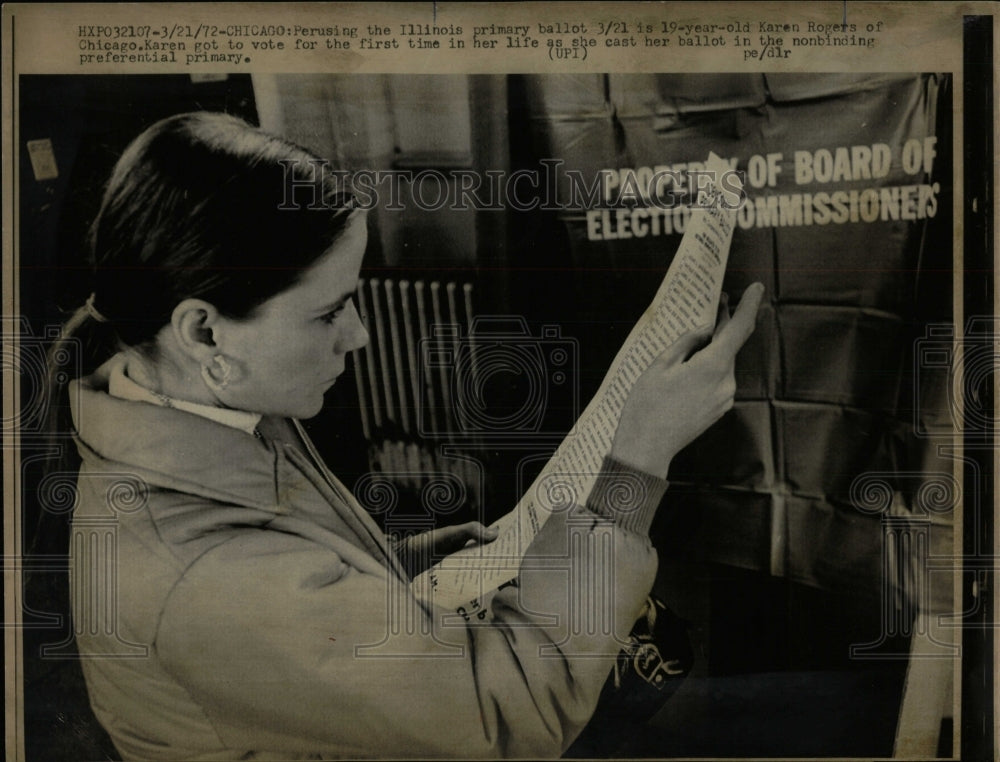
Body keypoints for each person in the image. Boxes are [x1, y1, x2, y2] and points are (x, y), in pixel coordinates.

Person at [52, 111, 763, 760]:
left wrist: (403, 562)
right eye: (328, 313)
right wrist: (636, 463)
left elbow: (287, 576)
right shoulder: (208, 578)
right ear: (203, 329)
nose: (358, 335)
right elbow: (512, 711)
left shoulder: (189, 402)